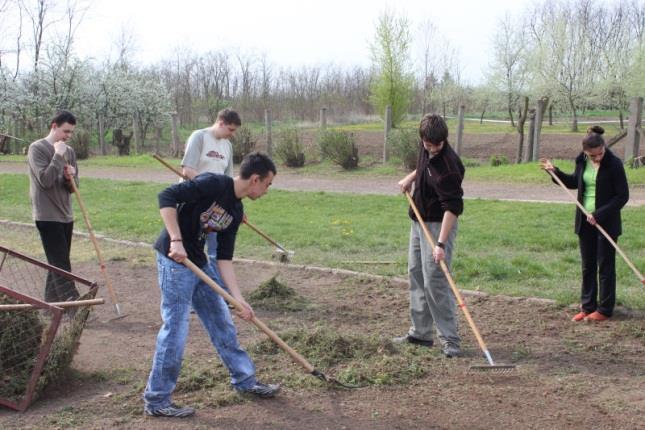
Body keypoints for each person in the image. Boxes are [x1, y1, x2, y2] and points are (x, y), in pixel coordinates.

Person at [143, 151, 280, 418]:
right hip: (174, 260)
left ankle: (245, 380)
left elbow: (225, 259)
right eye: (268, 184)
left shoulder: (236, 210)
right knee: (176, 329)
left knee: (222, 320)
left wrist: (237, 298)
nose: (267, 190)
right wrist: (176, 240)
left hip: (198, 262)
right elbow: (166, 197)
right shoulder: (213, 184)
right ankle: (157, 400)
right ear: (255, 179)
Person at [540, 126, 629, 322]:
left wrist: (599, 214)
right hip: (584, 220)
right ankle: (588, 306)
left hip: (606, 222)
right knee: (587, 265)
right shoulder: (581, 160)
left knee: (605, 266)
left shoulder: (614, 164)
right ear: (586, 153)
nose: (597, 158)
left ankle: (604, 309)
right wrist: (554, 172)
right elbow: (574, 182)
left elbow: (622, 196)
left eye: (599, 154)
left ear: (604, 148)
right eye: (592, 156)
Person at [395, 114, 465, 358]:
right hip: (418, 220)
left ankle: (450, 340)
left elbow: (453, 208)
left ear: (444, 140)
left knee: (435, 281)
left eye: (437, 145)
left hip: (438, 225)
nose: (432, 148)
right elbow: (425, 166)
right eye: (428, 144)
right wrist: (411, 177)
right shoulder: (425, 146)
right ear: (423, 138)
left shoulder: (449, 168)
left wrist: (440, 243)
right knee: (416, 275)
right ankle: (421, 333)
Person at [27, 110, 80, 303]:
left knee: (56, 262)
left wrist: (70, 177)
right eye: (65, 131)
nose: (68, 136)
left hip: (66, 214)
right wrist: (57, 156)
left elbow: (74, 188)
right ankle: (73, 303)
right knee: (61, 263)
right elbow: (45, 180)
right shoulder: (37, 149)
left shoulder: (70, 152)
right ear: (54, 126)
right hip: (47, 215)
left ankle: (50, 302)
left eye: (71, 133)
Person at [181, 108, 241, 267]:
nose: (232, 134)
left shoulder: (228, 146)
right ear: (221, 123)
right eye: (231, 129)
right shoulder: (199, 137)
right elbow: (188, 169)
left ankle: (218, 288)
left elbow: (229, 181)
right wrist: (208, 191)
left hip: (216, 208)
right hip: (193, 202)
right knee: (190, 249)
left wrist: (235, 206)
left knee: (217, 251)